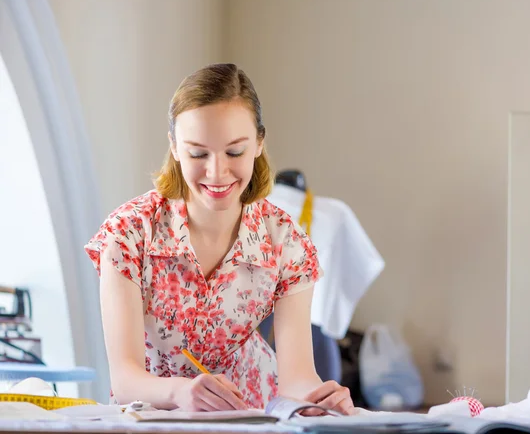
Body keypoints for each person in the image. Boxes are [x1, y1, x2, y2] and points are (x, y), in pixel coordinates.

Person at [84, 63, 355, 414]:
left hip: (252, 412)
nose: (216, 172)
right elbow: (125, 380)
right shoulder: (130, 234)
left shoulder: (285, 242)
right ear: (175, 147)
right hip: (152, 415)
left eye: (234, 152)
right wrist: (182, 392)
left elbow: (297, 378)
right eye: (198, 153)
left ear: (259, 143)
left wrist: (322, 398)